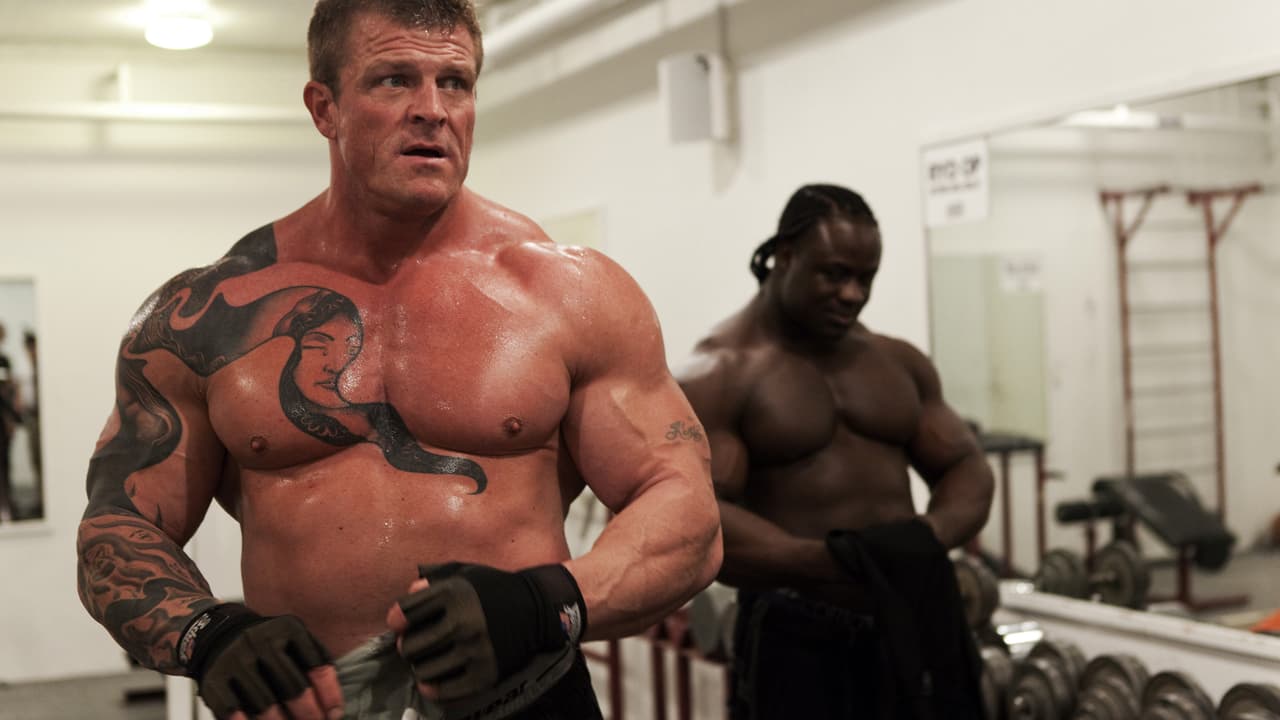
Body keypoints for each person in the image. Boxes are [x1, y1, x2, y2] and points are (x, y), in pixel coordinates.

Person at [75, 2, 722, 719]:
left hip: (526, 697)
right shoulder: (204, 316)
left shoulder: (570, 293)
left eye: (456, 83)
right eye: (394, 80)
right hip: (313, 704)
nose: (432, 111)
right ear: (324, 108)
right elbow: (118, 525)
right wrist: (207, 634)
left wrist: (547, 601)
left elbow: (686, 507)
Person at [678, 184, 994, 720]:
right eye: (834, 274)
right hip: (796, 632)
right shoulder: (721, 374)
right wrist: (831, 562)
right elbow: (700, 515)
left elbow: (965, 464)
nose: (852, 294)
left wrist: (921, 541)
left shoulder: (897, 362)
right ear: (784, 257)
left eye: (865, 278)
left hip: (910, 614)